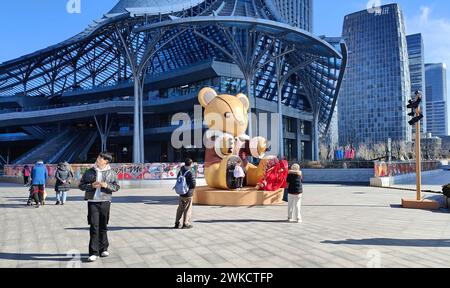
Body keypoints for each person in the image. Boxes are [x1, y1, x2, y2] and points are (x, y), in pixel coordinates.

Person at [79, 152, 120, 263]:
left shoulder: (112, 173)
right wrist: (91, 186)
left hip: (105, 201)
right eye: (98, 157)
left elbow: (116, 187)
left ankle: (104, 248)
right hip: (93, 202)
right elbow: (81, 185)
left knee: (103, 226)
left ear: (106, 161)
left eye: (101, 158)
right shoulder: (89, 171)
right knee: (94, 226)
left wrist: (107, 185)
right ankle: (93, 252)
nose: (98, 159)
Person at [175, 158, 196, 229]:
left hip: (181, 192)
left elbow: (178, 179)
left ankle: (177, 223)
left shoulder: (181, 170)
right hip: (188, 194)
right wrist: (190, 189)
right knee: (187, 208)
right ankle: (185, 224)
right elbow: (193, 184)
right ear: (190, 164)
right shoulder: (190, 172)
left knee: (180, 208)